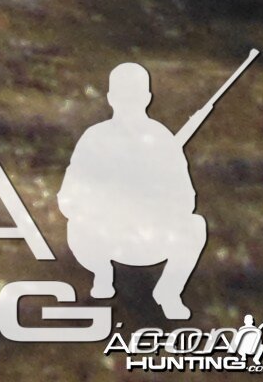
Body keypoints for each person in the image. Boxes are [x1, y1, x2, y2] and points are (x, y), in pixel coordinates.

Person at [57, 62, 212, 321]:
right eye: (123, 96)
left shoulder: (162, 140)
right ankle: (102, 274)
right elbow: (68, 198)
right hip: (104, 239)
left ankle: (169, 292)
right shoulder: (94, 138)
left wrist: (154, 199)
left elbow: (186, 200)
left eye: (134, 96)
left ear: (147, 98)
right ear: (111, 98)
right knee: (76, 225)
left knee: (195, 226)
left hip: (150, 238)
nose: (129, 103)